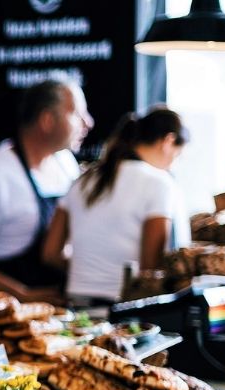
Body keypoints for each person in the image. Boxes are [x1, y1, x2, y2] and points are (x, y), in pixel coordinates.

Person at [0, 79, 94, 303]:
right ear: (47, 120)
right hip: (3, 315)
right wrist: (21, 296)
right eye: (76, 113)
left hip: (57, 310)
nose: (88, 123)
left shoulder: (65, 163)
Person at [42, 107, 190, 305]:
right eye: (178, 156)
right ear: (168, 141)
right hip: (125, 309)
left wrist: (90, 272)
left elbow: (50, 254)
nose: (174, 163)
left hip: (76, 305)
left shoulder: (82, 180)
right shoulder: (159, 183)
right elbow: (150, 268)